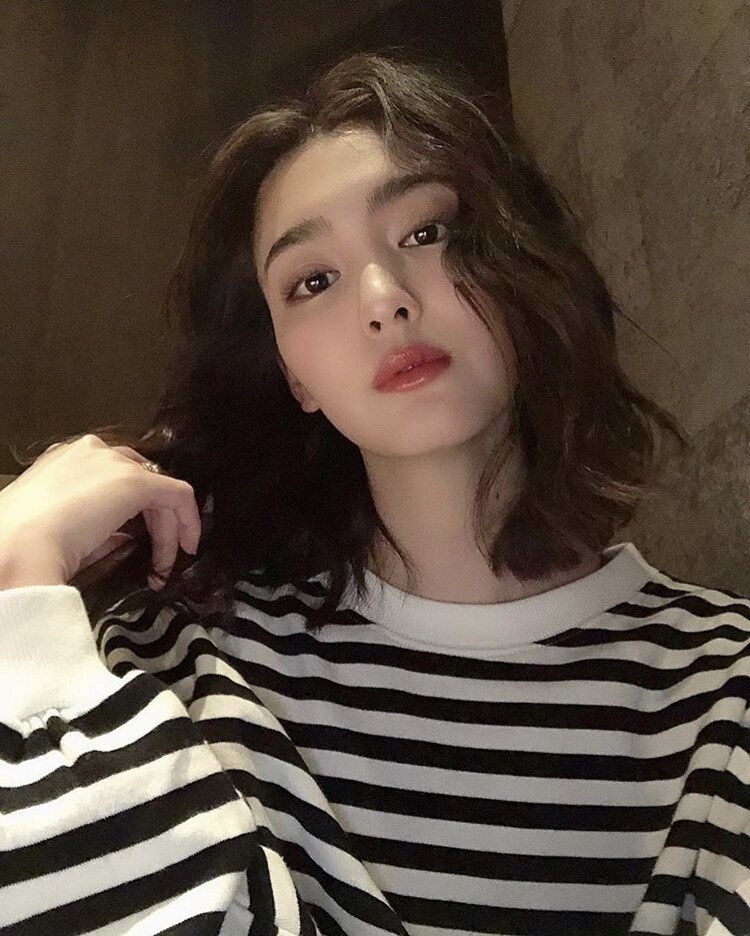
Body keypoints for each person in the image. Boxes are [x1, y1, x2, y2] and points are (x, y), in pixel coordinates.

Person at [0, 49, 747, 936]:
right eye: (313, 281)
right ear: (293, 375)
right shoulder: (181, 663)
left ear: (521, 262)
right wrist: (17, 576)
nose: (384, 300)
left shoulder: (725, 686)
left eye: (426, 233)